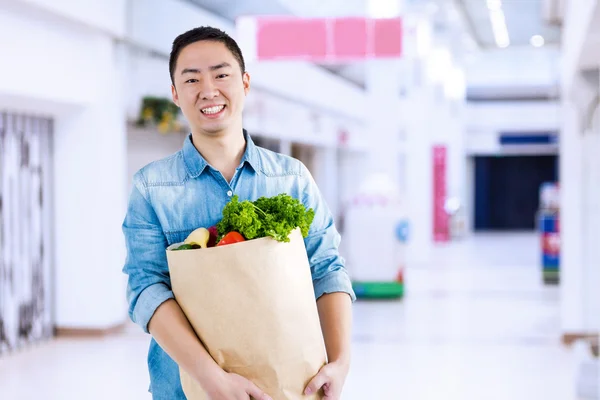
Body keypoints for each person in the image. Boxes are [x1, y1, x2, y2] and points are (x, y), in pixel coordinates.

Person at [122, 26, 356, 400]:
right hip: (186, 389)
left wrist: (341, 363)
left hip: (289, 385)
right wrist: (212, 379)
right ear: (175, 94)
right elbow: (145, 289)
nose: (208, 90)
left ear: (245, 83)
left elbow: (326, 269)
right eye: (192, 79)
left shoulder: (291, 178)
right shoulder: (151, 187)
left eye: (221, 74)